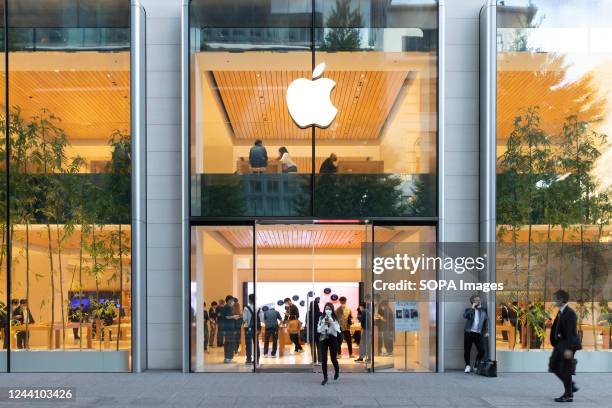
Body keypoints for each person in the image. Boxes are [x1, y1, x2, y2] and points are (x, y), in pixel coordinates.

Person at [549, 290, 581, 403]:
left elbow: (570, 333)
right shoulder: (561, 312)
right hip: (559, 344)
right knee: (553, 365)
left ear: (561, 300)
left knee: (565, 370)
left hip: (567, 345)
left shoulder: (570, 313)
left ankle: (569, 395)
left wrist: (569, 349)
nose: (553, 301)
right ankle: (571, 386)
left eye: (555, 298)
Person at [463, 294, 488, 373]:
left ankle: (476, 365)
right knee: (467, 350)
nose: (478, 301)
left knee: (482, 350)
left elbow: (486, 321)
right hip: (469, 332)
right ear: (472, 302)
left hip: (478, 333)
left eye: (479, 300)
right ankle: (467, 365)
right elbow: (465, 316)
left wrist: (486, 331)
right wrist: (472, 308)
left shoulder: (483, 310)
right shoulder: (468, 310)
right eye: (476, 300)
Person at [317, 302, 341, 385]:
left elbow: (338, 330)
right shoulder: (321, 318)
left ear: (332, 310)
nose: (328, 310)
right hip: (323, 338)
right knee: (324, 359)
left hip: (332, 338)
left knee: (333, 358)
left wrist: (331, 321)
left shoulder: (335, 318)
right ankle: (325, 377)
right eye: (326, 309)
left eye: (329, 309)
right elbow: (319, 330)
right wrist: (324, 323)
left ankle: (337, 371)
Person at [219, 295, 240, 363]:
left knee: (227, 343)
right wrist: (234, 316)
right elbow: (227, 317)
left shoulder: (227, 307)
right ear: (229, 301)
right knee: (230, 343)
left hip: (227, 328)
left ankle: (227, 358)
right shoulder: (227, 307)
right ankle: (228, 358)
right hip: (228, 328)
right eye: (232, 300)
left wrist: (234, 317)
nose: (233, 302)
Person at [243, 294, 261, 365]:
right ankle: (257, 360)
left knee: (248, 344)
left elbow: (245, 319)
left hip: (248, 328)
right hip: (257, 328)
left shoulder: (246, 308)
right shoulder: (259, 308)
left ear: (249, 300)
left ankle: (248, 360)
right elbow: (261, 319)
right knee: (256, 344)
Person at [307, 298, 322, 364]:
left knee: (312, 347)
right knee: (319, 346)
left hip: (311, 331)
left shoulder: (308, 313)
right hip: (319, 332)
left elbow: (307, 322)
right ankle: (320, 361)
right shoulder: (320, 313)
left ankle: (314, 360)